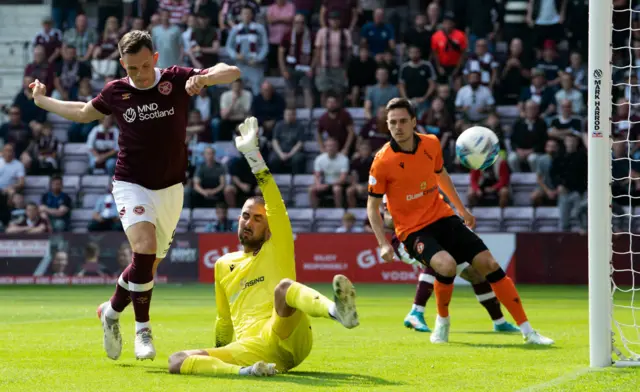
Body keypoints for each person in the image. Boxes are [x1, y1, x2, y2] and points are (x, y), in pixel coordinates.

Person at [29, 29, 241, 361]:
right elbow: (84, 111)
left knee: (146, 267)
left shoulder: (176, 79)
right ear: (121, 64)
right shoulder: (116, 92)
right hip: (130, 183)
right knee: (143, 249)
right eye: (131, 69)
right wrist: (42, 101)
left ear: (155, 59)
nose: (139, 75)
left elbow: (232, 72)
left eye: (144, 66)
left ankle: (110, 312)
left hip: (171, 188)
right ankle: (142, 330)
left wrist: (205, 78)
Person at [168, 117, 359, 377]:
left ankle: (338, 312)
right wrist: (219, 353)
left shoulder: (276, 246)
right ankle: (248, 372)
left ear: (269, 228)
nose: (249, 222)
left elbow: (275, 203)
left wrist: (253, 157)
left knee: (284, 288)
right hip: (253, 349)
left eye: (258, 219)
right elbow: (224, 321)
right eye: (246, 215)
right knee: (176, 360)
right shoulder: (223, 265)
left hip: (288, 333)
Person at [366, 98, 553, 345]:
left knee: (488, 263)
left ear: (413, 122)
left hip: (442, 217)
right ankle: (442, 322)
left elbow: (441, 175)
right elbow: (372, 206)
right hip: (412, 231)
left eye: (402, 121)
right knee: (446, 265)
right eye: (392, 123)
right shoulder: (382, 161)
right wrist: (383, 243)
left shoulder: (431, 144)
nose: (397, 127)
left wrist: (461, 209)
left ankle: (529, 332)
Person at [379, 199, 518, 333]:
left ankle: (499, 322)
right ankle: (416, 312)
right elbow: (389, 220)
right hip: (407, 239)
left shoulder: (426, 182)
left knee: (475, 274)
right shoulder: (397, 185)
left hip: (435, 235)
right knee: (438, 261)